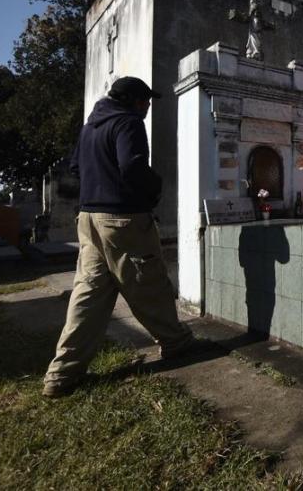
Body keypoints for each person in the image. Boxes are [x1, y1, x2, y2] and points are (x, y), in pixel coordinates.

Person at [43, 76, 195, 398]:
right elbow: (133, 167)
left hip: (88, 219)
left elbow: (75, 168)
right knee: (149, 282)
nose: (149, 106)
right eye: (147, 101)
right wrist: (155, 187)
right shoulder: (128, 123)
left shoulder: (91, 127)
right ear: (135, 101)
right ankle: (176, 341)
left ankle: (61, 374)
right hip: (124, 219)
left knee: (89, 293)